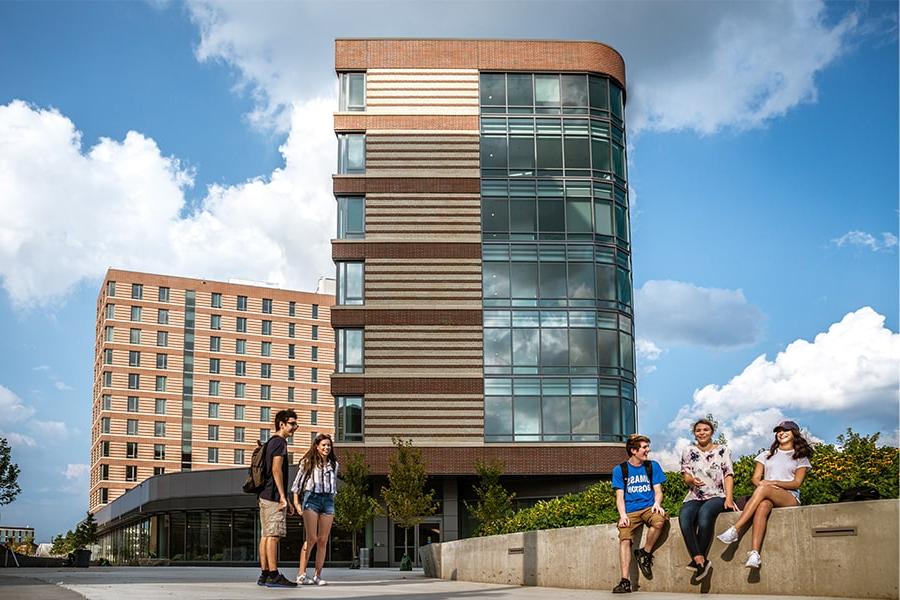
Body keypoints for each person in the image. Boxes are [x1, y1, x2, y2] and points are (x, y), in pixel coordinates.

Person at [717, 420, 813, 569]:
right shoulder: (766, 455)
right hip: (768, 495)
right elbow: (756, 478)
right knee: (762, 505)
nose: (781, 433)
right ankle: (755, 554)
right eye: (779, 431)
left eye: (785, 430)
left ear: (794, 433)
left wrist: (771, 483)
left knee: (763, 489)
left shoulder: (800, 457)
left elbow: (796, 483)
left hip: (789, 496)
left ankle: (736, 528)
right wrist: (764, 484)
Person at [678, 418, 737, 581]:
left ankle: (697, 561)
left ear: (712, 432)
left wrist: (729, 499)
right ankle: (700, 561)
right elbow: (686, 475)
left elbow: (728, 474)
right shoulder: (688, 450)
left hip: (717, 495)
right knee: (684, 518)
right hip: (695, 495)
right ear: (694, 434)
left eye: (705, 429)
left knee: (705, 516)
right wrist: (691, 480)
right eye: (698, 430)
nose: (702, 433)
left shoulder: (723, 450)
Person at [611, 434, 668, 594]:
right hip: (630, 511)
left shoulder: (652, 466)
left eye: (647, 447)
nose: (647, 450)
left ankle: (645, 552)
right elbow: (620, 497)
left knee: (659, 520)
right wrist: (623, 516)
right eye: (644, 447)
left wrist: (657, 504)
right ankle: (625, 582)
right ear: (634, 450)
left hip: (649, 507)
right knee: (625, 539)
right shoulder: (620, 470)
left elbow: (658, 491)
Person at [256, 409, 299, 588]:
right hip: (273, 496)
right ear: (281, 424)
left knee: (266, 535)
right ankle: (274, 575)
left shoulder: (270, 442)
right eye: (292, 423)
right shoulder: (280, 443)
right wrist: (283, 497)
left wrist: (284, 498)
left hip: (265, 495)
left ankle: (265, 574)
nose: (295, 427)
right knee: (273, 536)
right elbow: (276, 470)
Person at [292, 433, 339, 586]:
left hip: (328, 501)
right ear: (317, 446)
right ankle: (301, 574)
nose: (326, 447)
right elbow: (297, 484)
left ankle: (317, 576)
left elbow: (334, 485)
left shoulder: (334, 464)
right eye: (323, 445)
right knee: (311, 538)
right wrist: (296, 503)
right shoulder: (308, 462)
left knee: (323, 540)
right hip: (311, 499)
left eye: (328, 445)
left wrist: (332, 499)